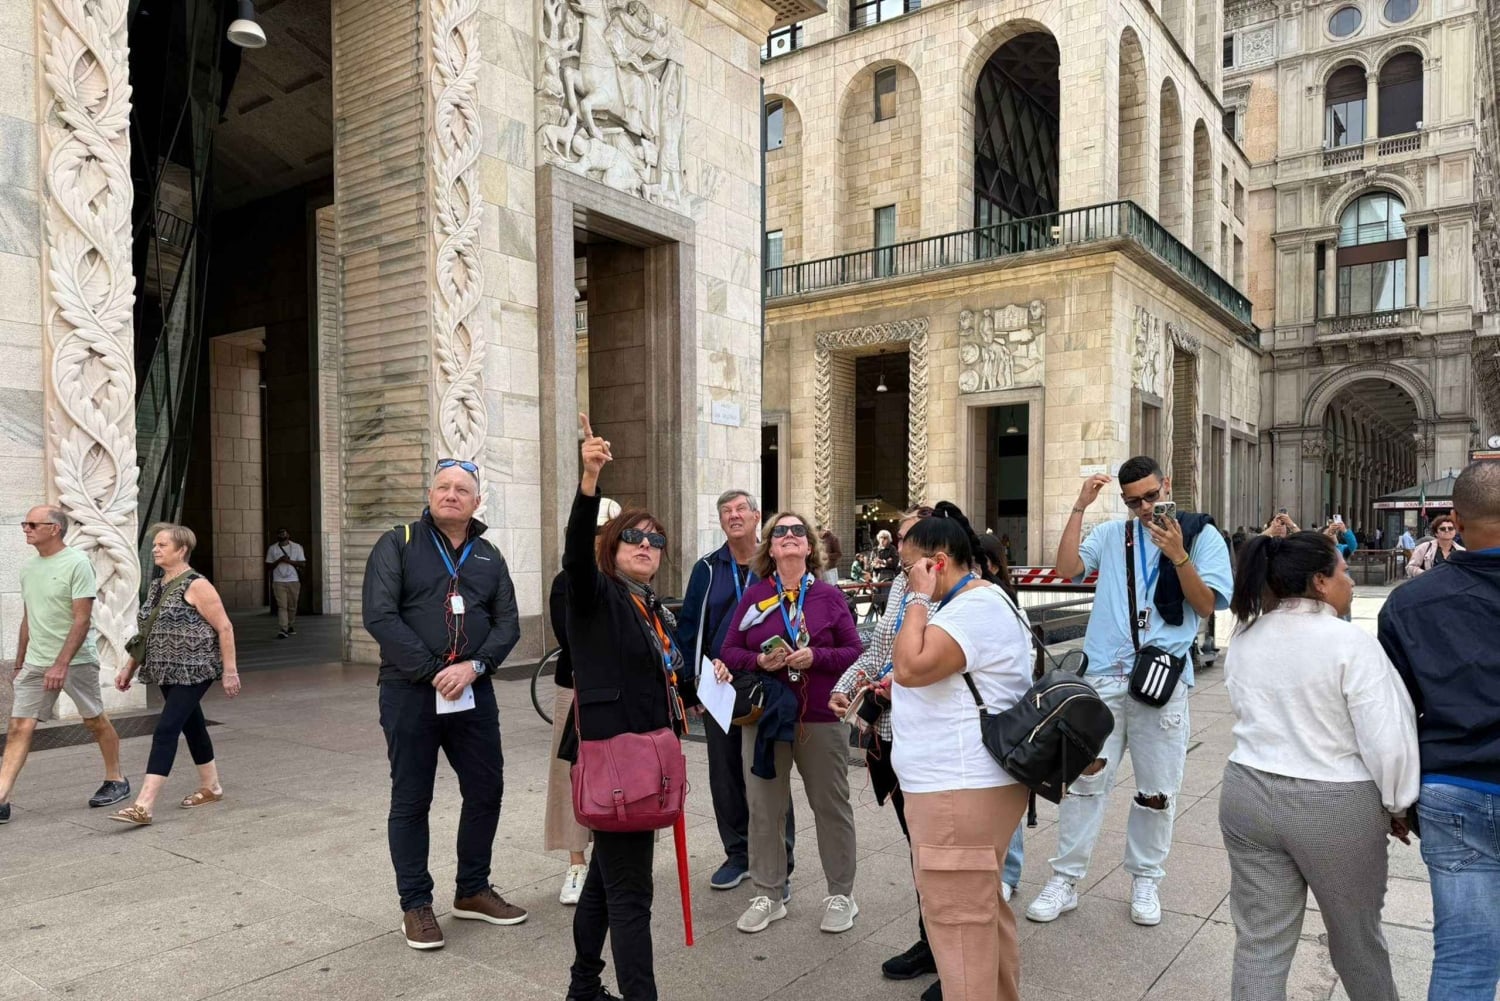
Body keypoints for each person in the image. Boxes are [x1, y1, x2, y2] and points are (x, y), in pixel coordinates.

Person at [1026, 456, 1232, 927]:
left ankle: (1146, 878)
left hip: (1162, 679)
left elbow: (1205, 605)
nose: (1144, 507)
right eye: (1133, 500)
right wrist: (1079, 507)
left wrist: (1179, 554)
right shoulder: (1111, 536)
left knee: (1157, 790)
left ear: (1168, 484)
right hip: (1104, 678)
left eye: (1152, 496)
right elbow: (1065, 569)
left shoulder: (1201, 536)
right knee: (1085, 781)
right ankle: (1066, 879)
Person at [1219, 531, 1419, 1000]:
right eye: (1343, 570)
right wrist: (1398, 803)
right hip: (1333, 802)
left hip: (1247, 791)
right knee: (1357, 941)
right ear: (1319, 582)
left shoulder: (1246, 636)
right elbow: (1387, 738)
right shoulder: (1349, 643)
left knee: (1259, 943)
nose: (1348, 579)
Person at [362, 458, 525, 950]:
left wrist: (474, 667)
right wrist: (435, 670)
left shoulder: (488, 555)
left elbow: (508, 624)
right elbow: (380, 616)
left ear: (477, 502)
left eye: (462, 489)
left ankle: (472, 890)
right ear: (430, 495)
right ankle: (416, 904)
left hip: (473, 690)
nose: (451, 494)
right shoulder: (399, 543)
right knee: (412, 798)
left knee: (486, 788)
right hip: (410, 691)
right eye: (442, 487)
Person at [564, 414, 686, 1001]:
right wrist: (589, 480)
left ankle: (583, 985)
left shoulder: (652, 607)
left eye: (655, 540)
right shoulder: (595, 596)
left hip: (645, 756)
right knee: (633, 894)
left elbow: (663, 674)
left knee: (606, 887)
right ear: (612, 548)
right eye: (634, 538)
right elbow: (574, 560)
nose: (645, 546)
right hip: (620, 761)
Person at [891, 513, 1035, 1001]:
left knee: (958, 926)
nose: (904, 578)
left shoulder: (973, 608)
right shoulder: (980, 603)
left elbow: (911, 666)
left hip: (957, 790)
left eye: (908, 568)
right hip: (965, 786)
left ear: (937, 563)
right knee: (981, 913)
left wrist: (914, 599)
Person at [1378, 459, 1500, 1000]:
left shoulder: (1410, 602)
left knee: (1464, 959)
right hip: (1458, 786)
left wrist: (1395, 799)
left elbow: (1392, 714)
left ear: (1456, 518)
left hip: (1453, 789)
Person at [717, 510, 863, 935]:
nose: (789, 536)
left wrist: (817, 656)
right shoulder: (756, 594)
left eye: (798, 531)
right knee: (764, 809)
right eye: (780, 531)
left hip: (819, 716)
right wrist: (760, 660)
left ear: (810, 546)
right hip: (767, 718)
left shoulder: (828, 597)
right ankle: (769, 893)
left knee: (830, 807)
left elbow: (854, 650)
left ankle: (841, 895)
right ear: (770, 546)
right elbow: (729, 650)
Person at [828, 505, 948, 994]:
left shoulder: (961, 592)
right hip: (894, 739)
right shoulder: (901, 585)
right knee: (918, 848)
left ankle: (957, 956)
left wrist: (907, 681)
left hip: (936, 740)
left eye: (908, 538)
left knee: (944, 852)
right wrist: (847, 684)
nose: (900, 548)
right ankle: (931, 941)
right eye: (899, 539)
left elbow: (943, 662)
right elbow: (878, 651)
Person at [676, 490, 796, 893]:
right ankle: (738, 854)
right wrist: (690, 686)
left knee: (769, 771)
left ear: (757, 516)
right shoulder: (708, 568)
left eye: (741, 508)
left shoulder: (777, 564)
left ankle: (780, 860)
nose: (733, 515)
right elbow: (690, 628)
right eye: (726, 511)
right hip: (720, 684)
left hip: (772, 682)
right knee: (725, 773)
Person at [0, 506, 129, 825]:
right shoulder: (29, 567)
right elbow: (30, 616)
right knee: (19, 726)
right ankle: (1, 796)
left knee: (94, 721)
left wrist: (61, 664)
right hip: (35, 662)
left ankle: (117, 779)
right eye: (24, 523)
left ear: (54, 529)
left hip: (75, 661)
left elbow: (82, 619)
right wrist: (20, 659)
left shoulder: (77, 563)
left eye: (32, 524)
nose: (25, 529)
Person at [109, 523, 241, 826]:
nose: (155, 549)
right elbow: (146, 631)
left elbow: (225, 627)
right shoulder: (157, 585)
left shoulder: (197, 585)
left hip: (195, 669)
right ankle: (212, 787)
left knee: (166, 729)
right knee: (192, 726)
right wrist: (129, 667)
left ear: (181, 550)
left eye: (163, 545)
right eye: (155, 545)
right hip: (165, 669)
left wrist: (230, 671)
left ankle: (143, 805)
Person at [264, 527, 306, 639]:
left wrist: (288, 561)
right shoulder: (272, 549)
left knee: (292, 606)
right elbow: (268, 566)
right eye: (280, 533)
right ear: (277, 536)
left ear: (288, 534)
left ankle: (290, 624)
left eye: (284, 533)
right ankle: (283, 628)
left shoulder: (297, 547)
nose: (282, 535)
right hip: (279, 581)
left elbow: (302, 564)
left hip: (293, 580)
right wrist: (279, 560)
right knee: (282, 606)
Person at [1404, 512, 1464, 577]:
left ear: (1455, 531)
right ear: (1436, 533)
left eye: (1450, 528)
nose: (1447, 530)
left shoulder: (1462, 551)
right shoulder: (1424, 548)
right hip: (1430, 585)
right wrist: (1428, 574)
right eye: (1442, 529)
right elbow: (1410, 568)